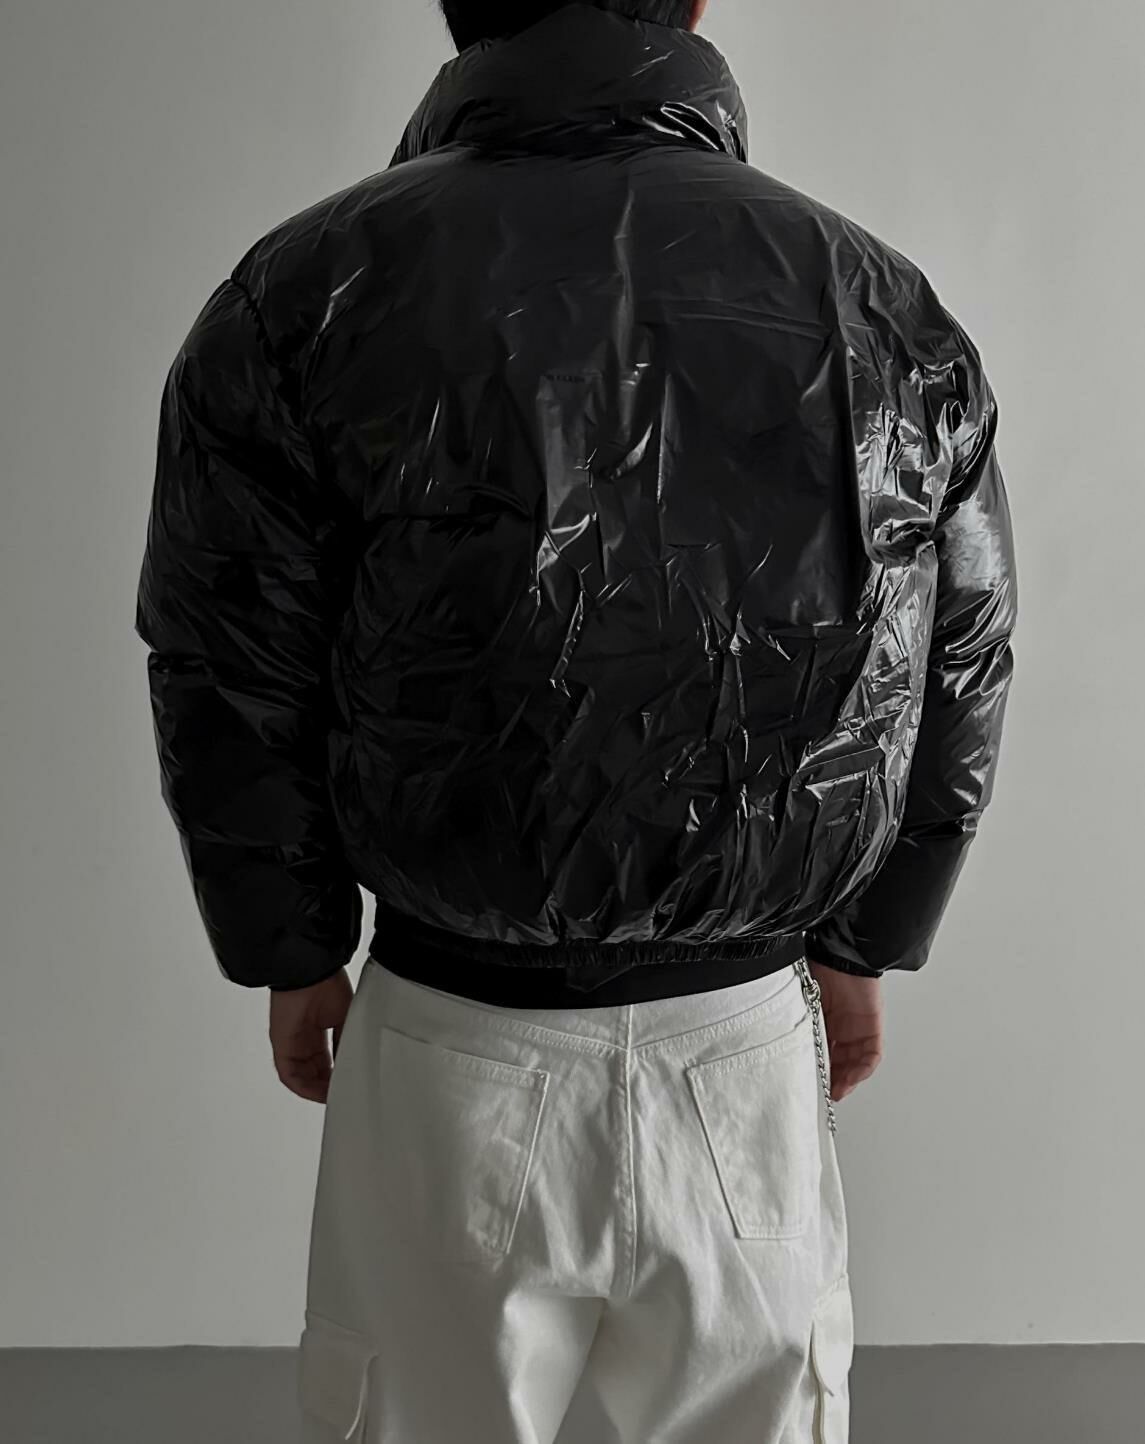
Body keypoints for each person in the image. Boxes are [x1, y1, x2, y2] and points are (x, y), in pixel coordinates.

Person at [134, 1, 1018, 1439]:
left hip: (451, 1047)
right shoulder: (873, 301)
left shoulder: (305, 292)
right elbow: (959, 650)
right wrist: (867, 940)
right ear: (696, 4)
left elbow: (228, 656)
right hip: (739, 1047)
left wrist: (289, 949)